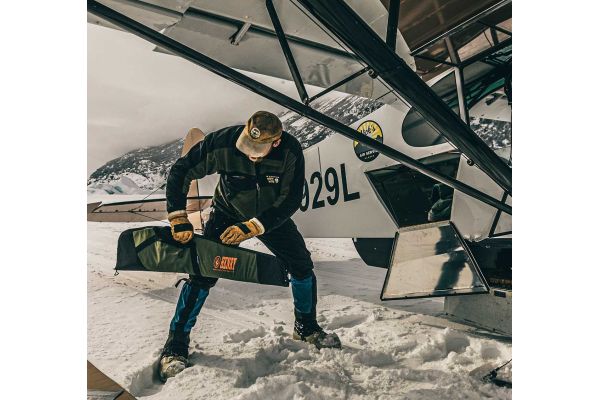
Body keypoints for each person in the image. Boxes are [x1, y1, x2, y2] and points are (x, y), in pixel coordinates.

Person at [158, 111, 341, 381]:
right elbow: (181, 170)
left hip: (268, 217)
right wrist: (178, 216)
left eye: (257, 151)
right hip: (226, 212)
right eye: (247, 147)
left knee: (301, 265)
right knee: (203, 272)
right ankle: (176, 343)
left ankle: (306, 328)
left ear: (276, 142)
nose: (250, 155)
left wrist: (255, 225)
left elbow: (291, 198)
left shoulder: (289, 151)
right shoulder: (223, 143)